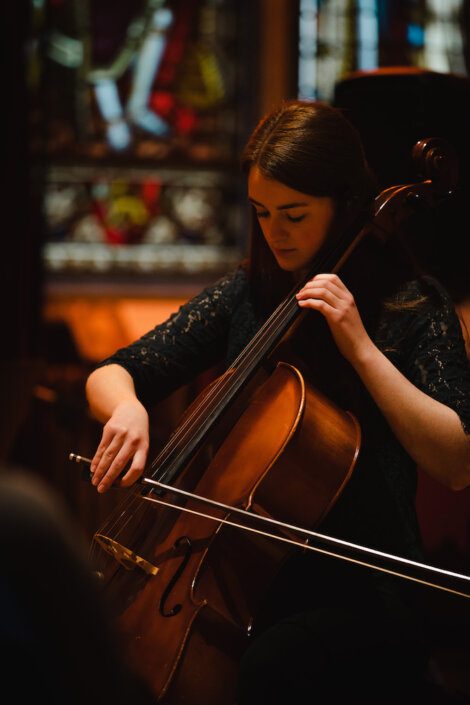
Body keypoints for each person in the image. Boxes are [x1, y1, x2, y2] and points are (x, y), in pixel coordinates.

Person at [85, 100, 470, 704]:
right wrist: (127, 408)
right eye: (262, 212)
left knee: (272, 666)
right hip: (245, 579)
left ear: (345, 206)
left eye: (293, 214)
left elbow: (455, 461)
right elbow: (114, 372)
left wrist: (361, 348)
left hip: (365, 592)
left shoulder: (412, 306)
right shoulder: (250, 293)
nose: (274, 232)